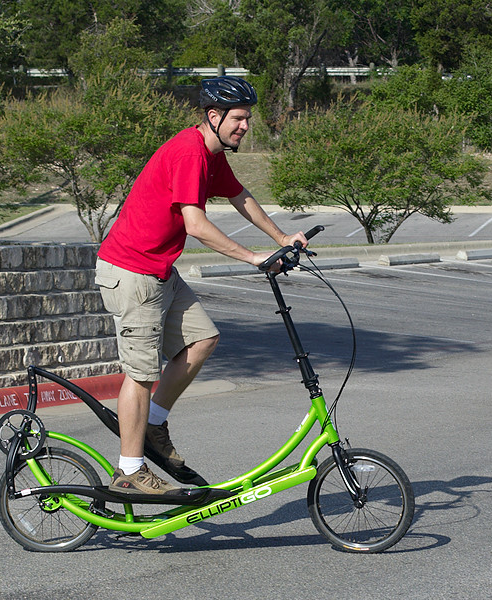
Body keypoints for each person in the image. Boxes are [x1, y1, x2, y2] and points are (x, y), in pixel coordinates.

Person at [95, 76, 309, 496]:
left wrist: (281, 238)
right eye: (239, 118)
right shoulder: (190, 153)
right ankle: (129, 470)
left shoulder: (212, 154)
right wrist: (252, 257)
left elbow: (240, 195)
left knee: (203, 339)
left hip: (159, 271)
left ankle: (153, 425)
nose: (245, 126)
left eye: (248, 118)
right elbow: (196, 225)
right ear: (213, 117)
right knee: (140, 375)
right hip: (132, 272)